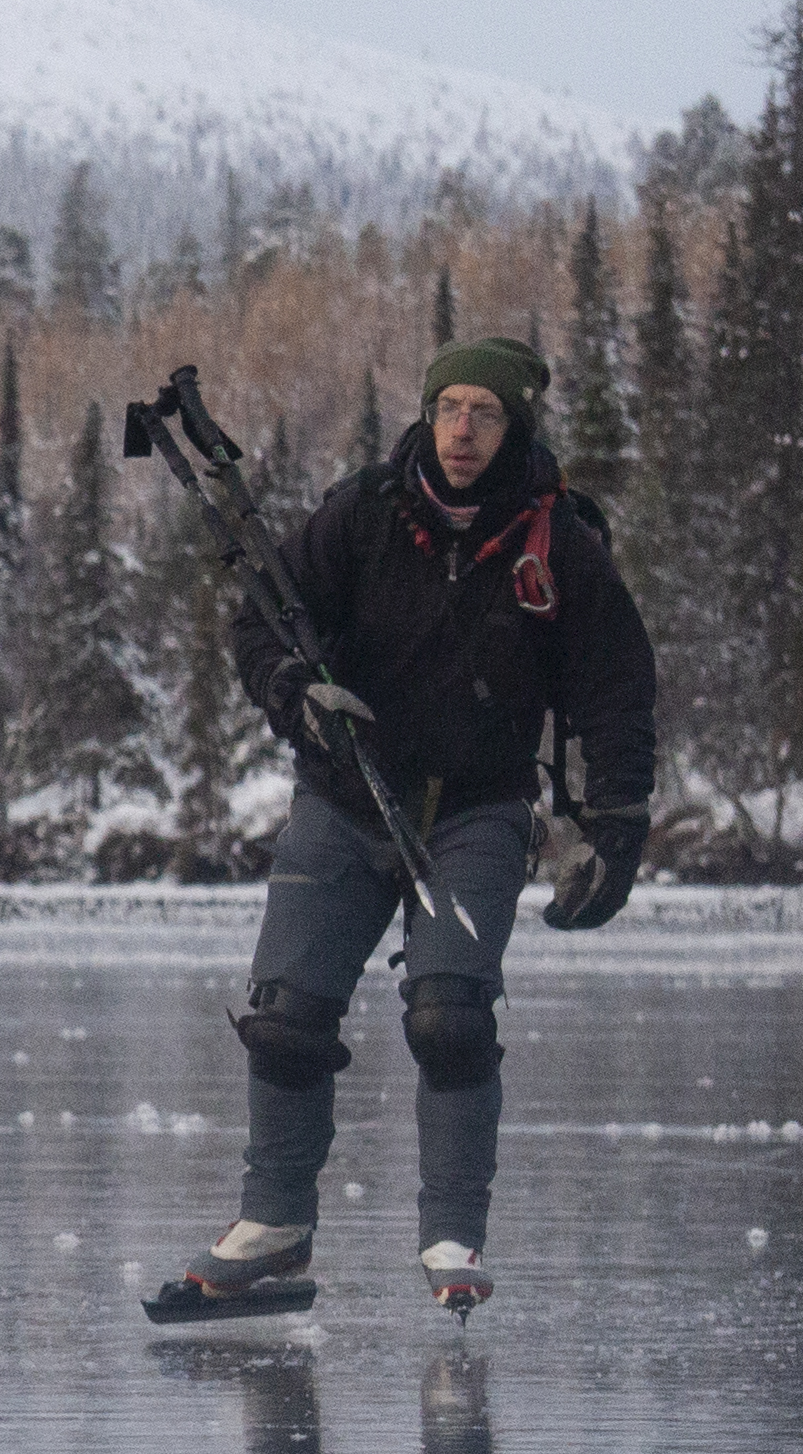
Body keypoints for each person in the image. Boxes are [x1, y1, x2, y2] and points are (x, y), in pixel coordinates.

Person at [172, 336, 657, 1314]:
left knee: (448, 1016)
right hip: (343, 796)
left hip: (476, 811)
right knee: (283, 1017)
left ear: (513, 422)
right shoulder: (363, 512)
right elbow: (261, 623)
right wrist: (297, 696)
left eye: (483, 411)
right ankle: (272, 1226)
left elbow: (614, 689)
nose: (462, 429)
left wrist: (616, 826)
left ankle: (450, 1233)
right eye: (448, 409)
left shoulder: (557, 540)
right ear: (427, 416)